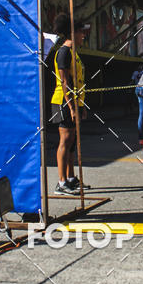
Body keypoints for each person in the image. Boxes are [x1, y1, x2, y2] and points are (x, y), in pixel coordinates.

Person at [50, 13, 90, 195]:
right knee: (65, 141)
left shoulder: (74, 53)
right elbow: (65, 82)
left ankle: (71, 177)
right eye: (81, 32)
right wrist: (72, 107)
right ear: (72, 33)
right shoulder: (64, 52)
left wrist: (81, 106)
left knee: (72, 142)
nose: (84, 35)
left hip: (74, 102)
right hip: (63, 102)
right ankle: (61, 182)